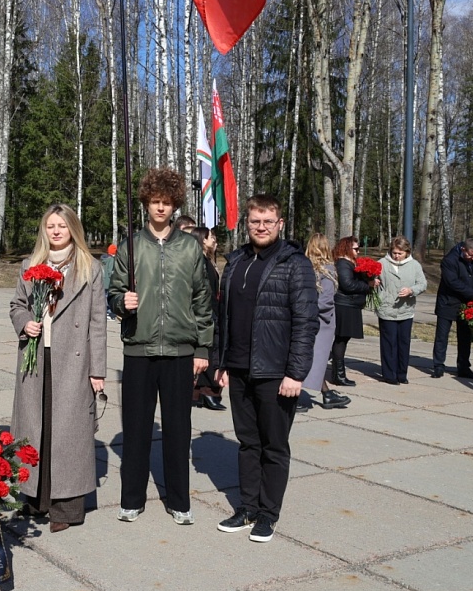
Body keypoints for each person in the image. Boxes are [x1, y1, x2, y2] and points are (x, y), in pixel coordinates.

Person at [108, 168, 213, 526]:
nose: (161, 209)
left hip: (180, 351)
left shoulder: (189, 247)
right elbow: (113, 292)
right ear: (146, 204)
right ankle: (132, 498)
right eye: (155, 202)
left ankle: (179, 500)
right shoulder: (131, 246)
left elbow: (202, 298)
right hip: (140, 348)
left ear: (175, 205)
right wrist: (123, 301)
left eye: (167, 203)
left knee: (178, 427)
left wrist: (203, 348)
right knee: (136, 428)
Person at [215, 194, 317, 543]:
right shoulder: (236, 261)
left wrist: (296, 373)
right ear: (247, 223)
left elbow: (306, 322)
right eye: (255, 221)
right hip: (239, 367)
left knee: (274, 445)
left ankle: (267, 514)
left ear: (279, 224)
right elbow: (222, 317)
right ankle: (246, 507)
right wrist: (222, 361)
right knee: (247, 442)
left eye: (267, 221)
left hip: (276, 373)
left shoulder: (294, 263)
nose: (260, 227)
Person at [10, 204, 106, 533]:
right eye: (50, 226)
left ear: (72, 229)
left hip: (74, 360)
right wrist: (25, 323)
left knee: (69, 432)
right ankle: (34, 499)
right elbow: (17, 304)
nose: (55, 231)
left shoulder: (90, 268)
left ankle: (66, 507)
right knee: (36, 428)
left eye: (61, 226)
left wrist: (98, 371)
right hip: (37, 356)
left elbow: (97, 322)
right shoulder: (30, 265)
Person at [300, 233, 351, 410]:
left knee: (312, 359)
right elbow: (326, 301)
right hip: (321, 322)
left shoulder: (304, 267)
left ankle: (326, 393)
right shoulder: (327, 269)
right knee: (315, 358)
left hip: (305, 319)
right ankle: (302, 396)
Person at [376, 236, 427, 385]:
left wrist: (411, 290)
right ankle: (389, 374)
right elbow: (371, 280)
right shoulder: (382, 263)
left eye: (400, 253)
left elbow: (422, 283)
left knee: (403, 343)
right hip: (387, 309)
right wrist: (373, 281)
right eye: (394, 253)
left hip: (406, 310)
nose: (397, 256)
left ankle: (401, 374)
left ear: (407, 252)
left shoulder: (415, 265)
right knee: (388, 343)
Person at [330, 236, 378, 386]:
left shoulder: (347, 263)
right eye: (356, 249)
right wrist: (368, 284)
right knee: (341, 340)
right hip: (345, 306)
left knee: (342, 340)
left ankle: (337, 372)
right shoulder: (344, 263)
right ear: (346, 248)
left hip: (349, 305)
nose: (358, 251)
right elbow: (348, 285)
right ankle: (338, 375)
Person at [187, 227, 226, 411]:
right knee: (209, 352)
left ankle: (199, 393)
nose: (215, 241)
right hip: (207, 313)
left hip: (211, 311)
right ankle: (207, 392)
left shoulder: (205, 260)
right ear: (202, 240)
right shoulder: (199, 262)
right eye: (212, 237)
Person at [432, 238, 473, 379]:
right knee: (442, 336)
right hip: (448, 302)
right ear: (463, 249)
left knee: (465, 336)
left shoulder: (472, 259)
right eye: (471, 255)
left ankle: (463, 366)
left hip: (467, 303)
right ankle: (438, 365)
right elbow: (452, 282)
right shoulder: (449, 260)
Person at [101, 243, 117, 320]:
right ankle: (109, 312)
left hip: (104, 282)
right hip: (109, 282)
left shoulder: (105, 259)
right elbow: (110, 272)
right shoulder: (111, 260)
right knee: (108, 297)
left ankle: (105, 312)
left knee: (105, 296)